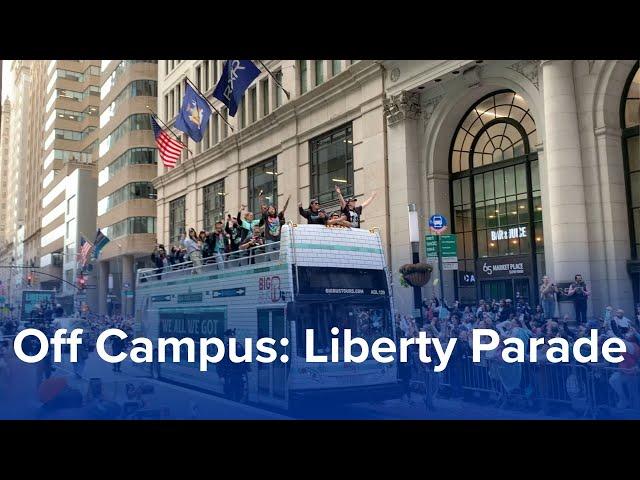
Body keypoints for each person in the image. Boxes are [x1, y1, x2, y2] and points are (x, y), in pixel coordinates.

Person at [217, 329, 250, 402]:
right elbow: (220, 363)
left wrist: (246, 370)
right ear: (227, 337)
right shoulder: (224, 348)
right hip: (228, 375)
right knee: (229, 394)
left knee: (239, 394)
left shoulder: (239, 347)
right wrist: (221, 376)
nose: (232, 337)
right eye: (230, 336)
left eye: (233, 336)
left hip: (238, 375)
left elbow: (245, 359)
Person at [260, 195, 291, 261]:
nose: (272, 210)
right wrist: (261, 199)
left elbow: (284, 209)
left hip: (277, 238)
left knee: (278, 253)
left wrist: (287, 201)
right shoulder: (266, 216)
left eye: (273, 209)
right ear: (268, 211)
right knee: (268, 254)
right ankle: (266, 265)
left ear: (275, 210)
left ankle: (277, 264)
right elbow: (262, 208)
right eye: (270, 209)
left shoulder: (278, 216)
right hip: (269, 238)